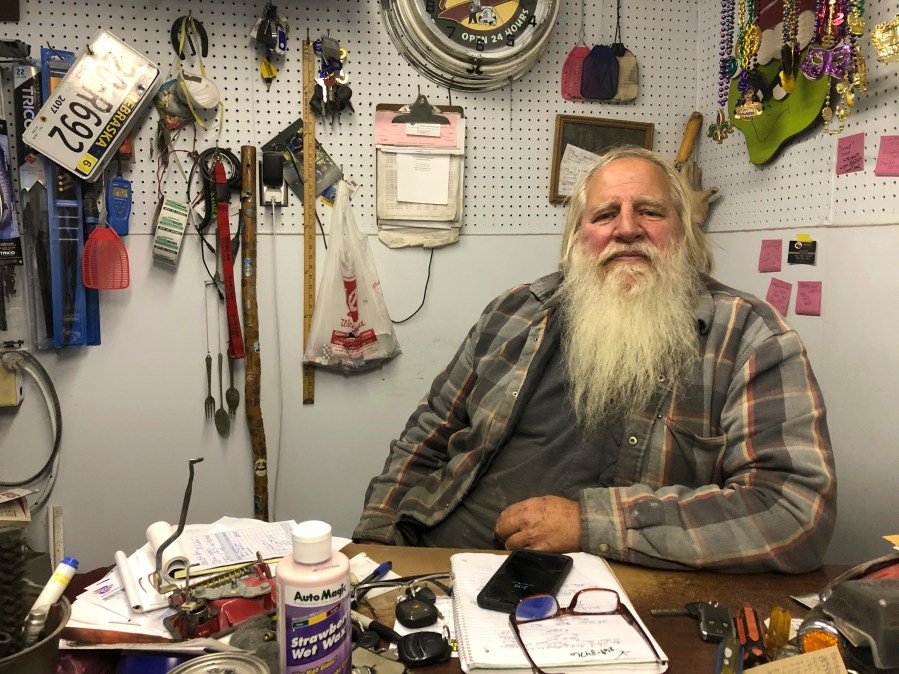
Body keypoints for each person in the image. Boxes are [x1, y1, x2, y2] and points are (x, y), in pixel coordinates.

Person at [353, 147, 836, 573]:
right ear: (576, 238)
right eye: (604, 215)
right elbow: (430, 432)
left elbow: (792, 510)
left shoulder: (752, 337)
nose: (627, 229)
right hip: (437, 559)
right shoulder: (513, 312)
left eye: (650, 211)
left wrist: (592, 524)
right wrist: (373, 538)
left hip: (596, 592)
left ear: (686, 233)